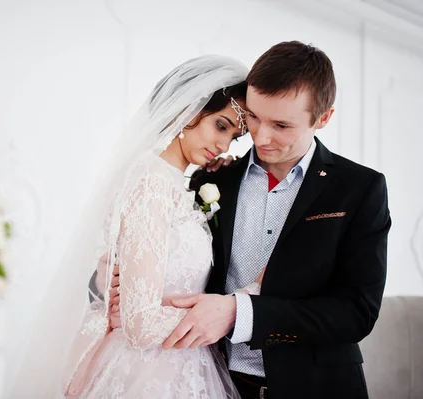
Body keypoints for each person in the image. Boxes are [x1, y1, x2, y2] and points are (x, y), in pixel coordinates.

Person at [109, 41, 391, 399]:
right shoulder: (210, 180)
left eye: (281, 124)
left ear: (323, 119)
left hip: (316, 387)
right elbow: (165, 259)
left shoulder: (358, 188)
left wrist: (239, 313)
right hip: (215, 381)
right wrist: (112, 284)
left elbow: (356, 312)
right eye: (254, 117)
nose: (260, 136)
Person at [58, 54, 267, 398]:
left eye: (234, 136)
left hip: (179, 363)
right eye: (221, 125)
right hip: (147, 371)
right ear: (189, 108)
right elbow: (140, 325)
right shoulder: (150, 180)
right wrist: (234, 307)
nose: (223, 145)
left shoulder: (174, 183)